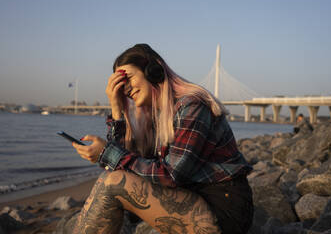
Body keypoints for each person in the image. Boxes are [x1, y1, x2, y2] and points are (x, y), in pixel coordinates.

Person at [71, 44, 253, 234]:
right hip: (194, 201)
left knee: (113, 183)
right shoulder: (158, 117)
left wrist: (107, 153)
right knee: (111, 179)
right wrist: (117, 111)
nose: (126, 89)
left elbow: (171, 175)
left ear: (153, 71)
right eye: (121, 84)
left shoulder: (192, 105)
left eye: (129, 79)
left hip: (223, 212)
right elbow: (125, 168)